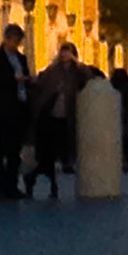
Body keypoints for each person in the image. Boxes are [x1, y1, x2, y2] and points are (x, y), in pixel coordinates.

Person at [26, 42, 99, 199]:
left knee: (58, 152)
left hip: (66, 117)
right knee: (48, 155)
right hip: (49, 117)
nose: (65, 56)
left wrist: (78, 63)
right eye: (63, 52)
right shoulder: (52, 71)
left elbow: (90, 77)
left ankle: (44, 180)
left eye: (68, 53)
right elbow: (40, 86)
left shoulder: (77, 72)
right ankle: (46, 182)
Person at [0, 25, 31, 202]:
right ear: (7, 39)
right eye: (14, 40)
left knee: (14, 151)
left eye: (18, 41)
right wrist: (13, 79)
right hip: (2, 109)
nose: (16, 44)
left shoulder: (21, 58)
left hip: (19, 108)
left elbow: (25, 75)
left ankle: (12, 186)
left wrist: (27, 81)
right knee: (0, 149)